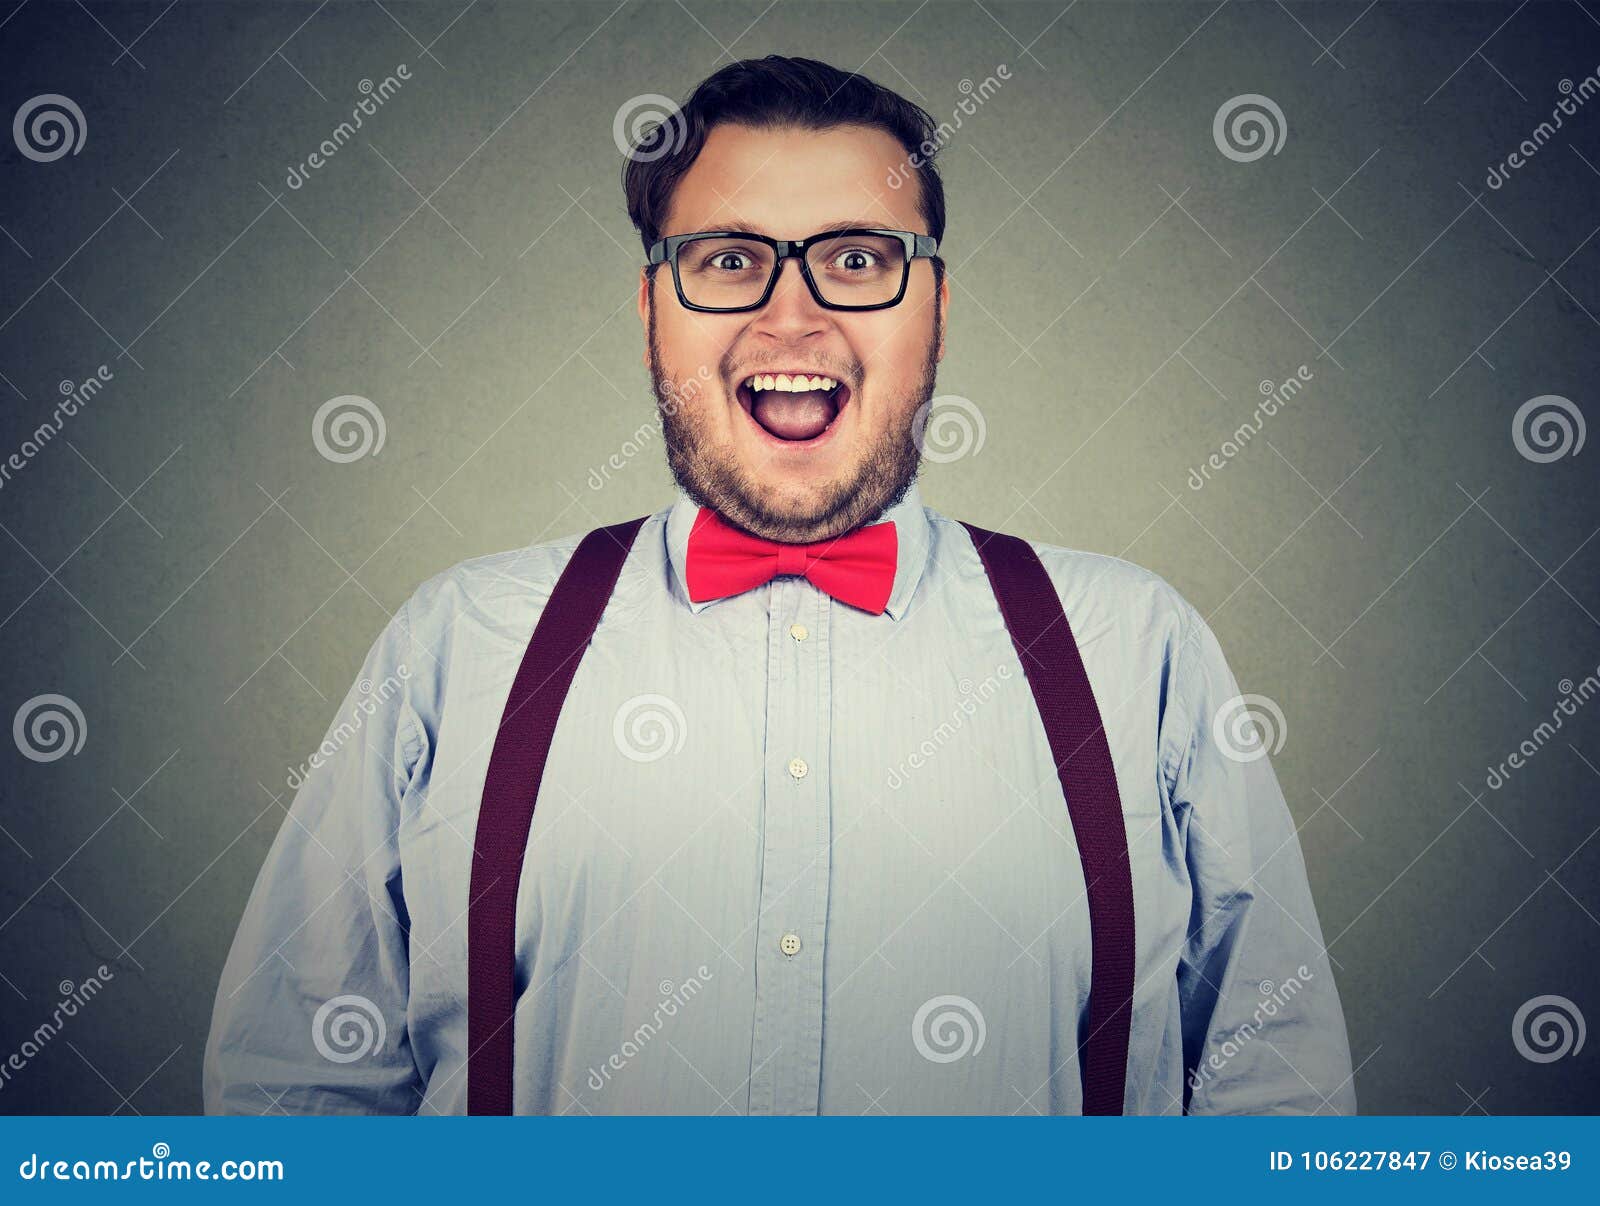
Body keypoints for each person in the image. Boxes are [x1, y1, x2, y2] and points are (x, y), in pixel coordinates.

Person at [204, 55, 1356, 1116]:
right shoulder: (458, 644)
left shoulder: (1134, 646)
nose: (791, 315)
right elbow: (299, 1095)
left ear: (936, 309)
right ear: (650, 307)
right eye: (728, 260)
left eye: (858, 259)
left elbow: (1278, 1104)